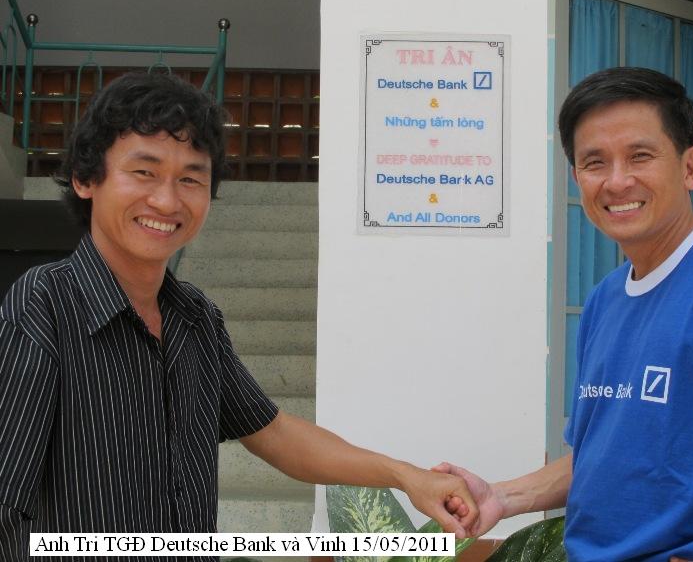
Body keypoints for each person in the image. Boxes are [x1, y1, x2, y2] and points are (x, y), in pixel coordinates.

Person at [0, 72, 477, 561]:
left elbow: (274, 433)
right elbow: (5, 503)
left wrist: (406, 476)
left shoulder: (196, 319)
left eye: (190, 178)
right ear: (86, 179)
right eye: (144, 172)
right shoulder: (43, 306)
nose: (167, 200)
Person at [437, 67, 693, 560]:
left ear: (690, 167)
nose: (617, 181)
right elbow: (601, 456)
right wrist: (502, 497)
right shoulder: (605, 300)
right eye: (595, 162)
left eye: (640, 156)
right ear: (577, 178)